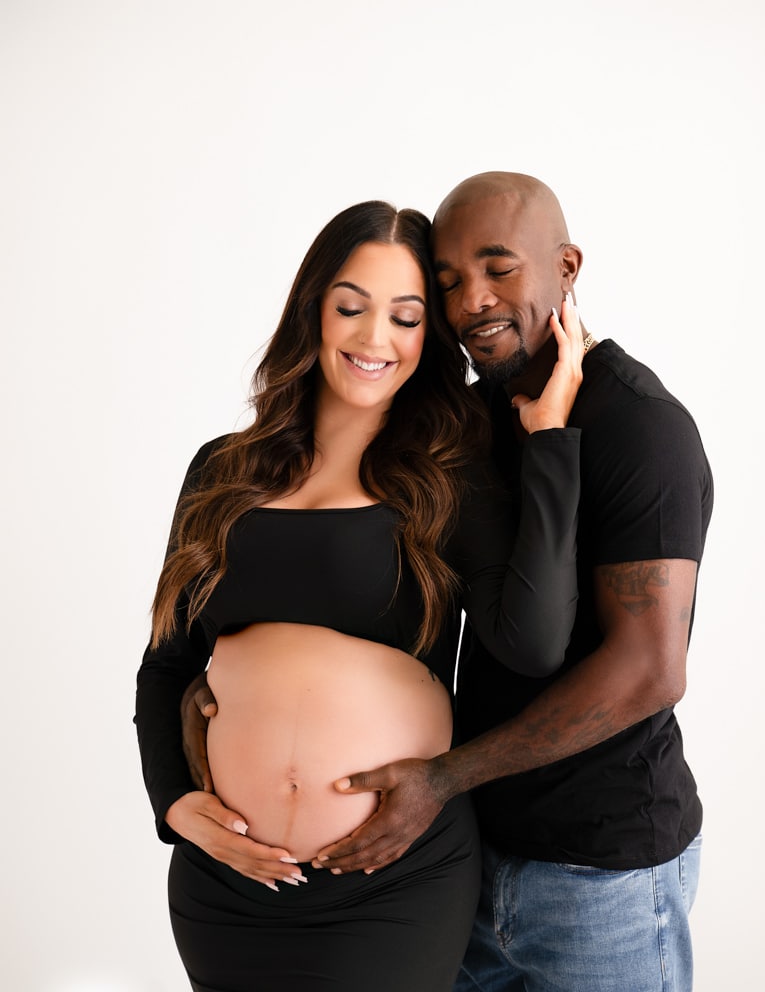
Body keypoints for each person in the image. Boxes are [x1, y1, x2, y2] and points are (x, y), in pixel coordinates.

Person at [135, 198, 587, 992]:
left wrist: (548, 445)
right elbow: (165, 665)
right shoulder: (223, 469)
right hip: (227, 885)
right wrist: (172, 804)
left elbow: (533, 640)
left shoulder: (451, 477)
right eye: (350, 307)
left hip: (393, 881)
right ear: (312, 311)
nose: (374, 338)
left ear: (428, 338)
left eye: (406, 318)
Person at [299, 173, 714, 992]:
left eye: (499, 268)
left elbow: (648, 671)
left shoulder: (640, 427)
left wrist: (442, 779)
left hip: (599, 875)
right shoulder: (470, 415)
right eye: (447, 282)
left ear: (566, 266)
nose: (472, 302)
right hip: (466, 857)